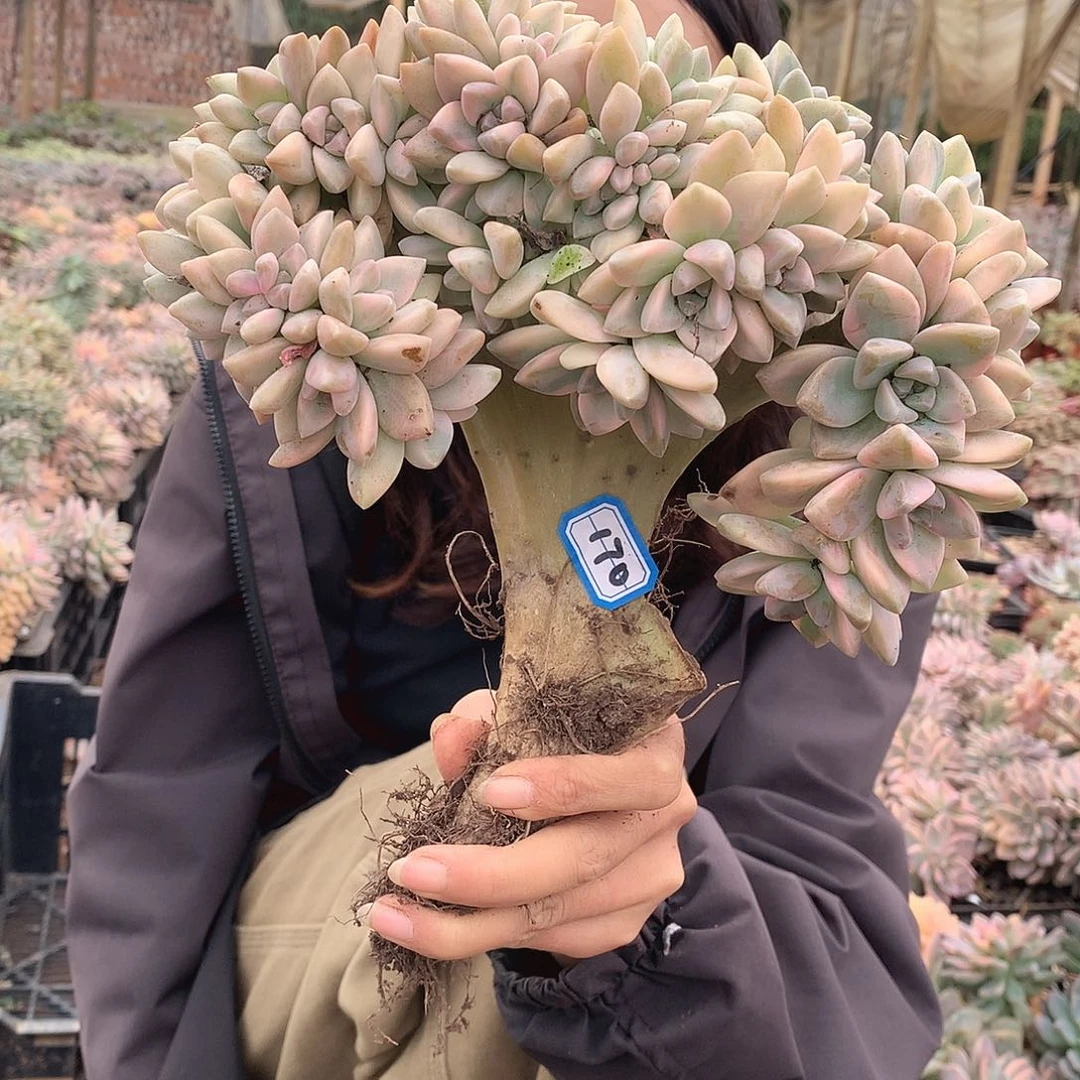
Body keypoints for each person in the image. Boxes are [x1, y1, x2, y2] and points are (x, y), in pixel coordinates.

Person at [65, 1, 943, 1077]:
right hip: (310, 966)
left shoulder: (844, 451)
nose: (567, 97)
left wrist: (660, 907)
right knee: (473, 880)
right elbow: (160, 811)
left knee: (557, 889)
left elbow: (815, 874)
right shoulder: (290, 381)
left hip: (669, 1023)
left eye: (653, 78)